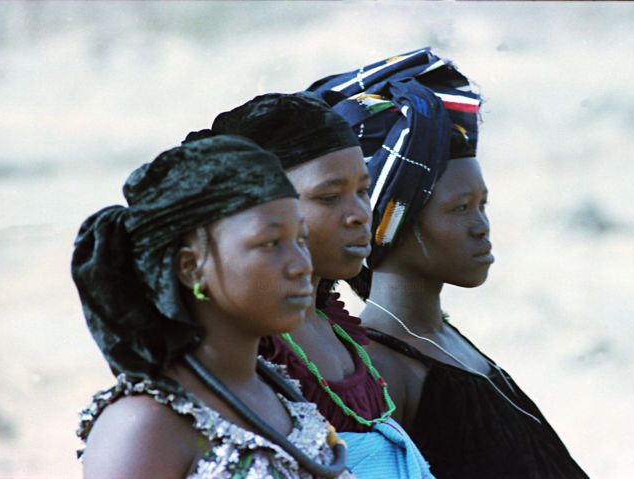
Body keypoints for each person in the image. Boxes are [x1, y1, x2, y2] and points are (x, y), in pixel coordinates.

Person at [309, 47, 589, 478]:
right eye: (460, 209)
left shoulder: (443, 341)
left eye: (483, 205)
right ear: (392, 221)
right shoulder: (381, 367)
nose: (482, 226)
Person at [72, 134, 353, 478]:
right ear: (191, 267)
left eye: (301, 240)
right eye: (270, 243)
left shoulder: (282, 396)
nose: (302, 265)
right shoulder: (145, 425)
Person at [185, 92, 433, 478]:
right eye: (329, 197)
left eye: (363, 191)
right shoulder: (246, 351)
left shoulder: (340, 331)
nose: (359, 214)